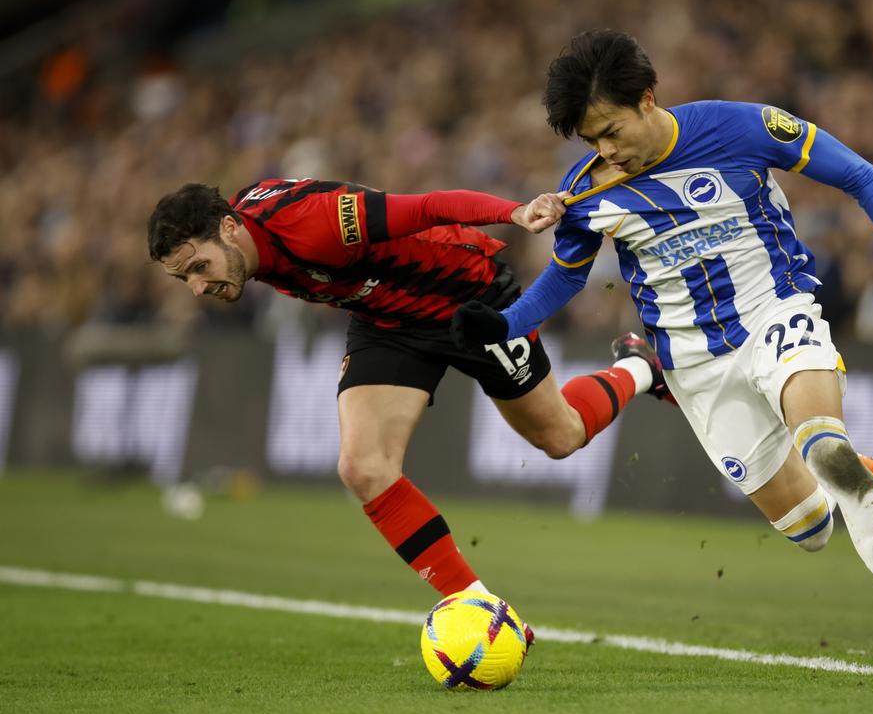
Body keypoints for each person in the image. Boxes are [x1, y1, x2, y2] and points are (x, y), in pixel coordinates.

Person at [452, 30, 873, 676]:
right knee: (809, 529)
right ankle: (664, 374)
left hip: (776, 316)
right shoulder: (587, 190)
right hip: (697, 364)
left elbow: (860, 175)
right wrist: (504, 325)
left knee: (829, 452)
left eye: (612, 131)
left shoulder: (740, 127)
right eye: (592, 142)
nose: (606, 150)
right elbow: (566, 277)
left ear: (648, 100)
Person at [147, 178, 664, 633]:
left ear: (230, 228)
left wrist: (513, 213)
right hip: (388, 323)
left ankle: (640, 367)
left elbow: (428, 207)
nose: (197, 286)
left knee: (561, 436)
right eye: (183, 278)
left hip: (470, 299)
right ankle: (479, 608)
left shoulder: (313, 221)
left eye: (198, 266)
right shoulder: (242, 244)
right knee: (362, 467)